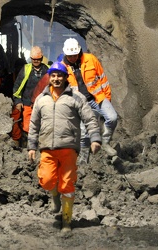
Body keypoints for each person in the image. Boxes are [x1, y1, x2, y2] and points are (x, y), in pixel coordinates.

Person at [27, 62, 101, 232]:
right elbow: (34, 124)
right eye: (53, 75)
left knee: (67, 184)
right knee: (46, 180)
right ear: (49, 77)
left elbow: (90, 119)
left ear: (66, 77)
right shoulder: (41, 99)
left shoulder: (76, 97)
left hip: (69, 147)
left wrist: (95, 138)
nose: (56, 78)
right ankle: (54, 196)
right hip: (47, 148)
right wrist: (31, 146)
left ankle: (66, 222)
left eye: (60, 75)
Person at [61, 38, 118, 162]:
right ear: (65, 54)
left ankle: (106, 142)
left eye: (74, 55)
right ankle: (83, 159)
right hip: (79, 104)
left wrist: (107, 99)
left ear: (79, 51)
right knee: (83, 132)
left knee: (112, 117)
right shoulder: (62, 67)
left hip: (97, 98)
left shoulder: (90, 59)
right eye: (70, 56)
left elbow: (103, 80)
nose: (72, 58)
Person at [11, 46, 49, 147]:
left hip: (44, 104)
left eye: (38, 59)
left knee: (44, 125)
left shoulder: (48, 70)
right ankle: (29, 146)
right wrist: (18, 101)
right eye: (34, 59)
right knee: (27, 126)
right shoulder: (26, 69)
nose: (36, 61)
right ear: (31, 58)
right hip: (28, 103)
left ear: (41, 58)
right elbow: (17, 86)